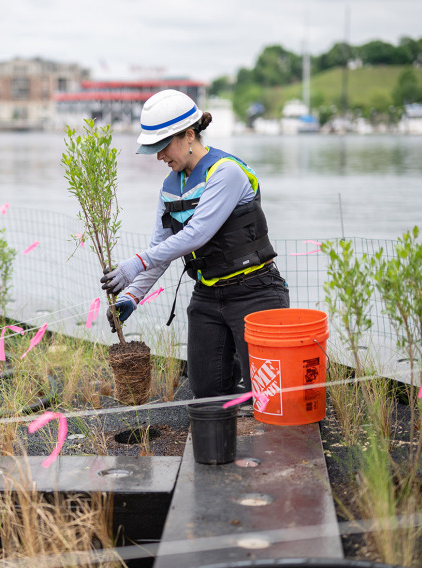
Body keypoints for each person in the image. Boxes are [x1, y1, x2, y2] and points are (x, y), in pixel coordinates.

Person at [101, 89, 289, 400]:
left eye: (163, 146)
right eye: (154, 149)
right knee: (206, 391)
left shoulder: (225, 172)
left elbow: (196, 234)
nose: (160, 156)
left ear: (190, 135)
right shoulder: (169, 187)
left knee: (267, 391)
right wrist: (132, 296)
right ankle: (220, 446)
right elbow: (162, 250)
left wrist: (136, 262)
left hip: (255, 291)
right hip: (207, 297)